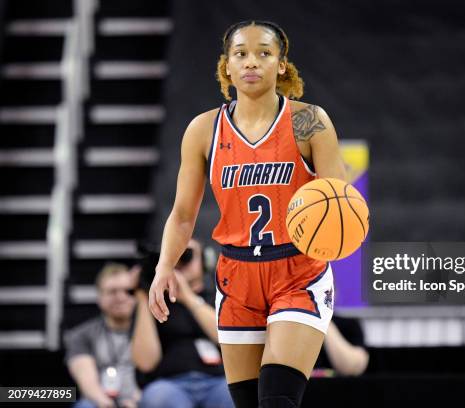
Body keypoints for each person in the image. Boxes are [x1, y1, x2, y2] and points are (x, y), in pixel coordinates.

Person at [148, 20, 346, 408]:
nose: (251, 62)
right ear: (227, 66)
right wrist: (163, 267)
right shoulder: (204, 129)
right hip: (236, 275)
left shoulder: (308, 121)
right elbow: (183, 214)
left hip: (297, 270)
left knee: (277, 399)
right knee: (249, 403)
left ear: (281, 65)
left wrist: (338, 225)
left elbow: (341, 202)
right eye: (240, 54)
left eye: (264, 53)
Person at [132, 238, 233, 408]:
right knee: (158, 398)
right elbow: (145, 363)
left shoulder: (220, 298)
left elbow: (228, 338)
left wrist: (188, 298)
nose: (180, 261)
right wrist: (143, 294)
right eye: (175, 255)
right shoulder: (156, 303)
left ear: (205, 262)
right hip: (170, 384)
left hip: (219, 381)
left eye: (187, 255)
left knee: (236, 396)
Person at [64, 263, 140, 408]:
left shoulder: (150, 331)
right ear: (99, 297)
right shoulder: (81, 335)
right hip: (100, 401)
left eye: (128, 291)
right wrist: (105, 403)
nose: (121, 297)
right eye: (112, 292)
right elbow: (87, 382)